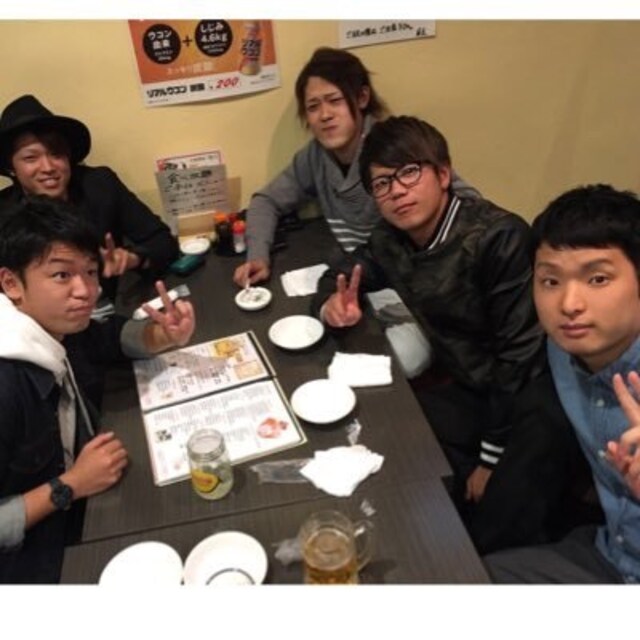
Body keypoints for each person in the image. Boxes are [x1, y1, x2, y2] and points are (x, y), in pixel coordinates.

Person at [313, 115, 546, 513]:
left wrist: (491, 458)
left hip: (524, 399)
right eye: (382, 183)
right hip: (465, 385)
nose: (397, 190)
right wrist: (331, 304)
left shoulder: (498, 237)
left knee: (490, 509)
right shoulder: (391, 239)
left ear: (443, 174)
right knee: (386, 430)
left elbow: (519, 358)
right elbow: (343, 273)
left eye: (408, 172)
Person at [0, 196, 195, 584]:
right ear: (11, 283)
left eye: (90, 272)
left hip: (92, 501)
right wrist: (69, 485)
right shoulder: (8, 381)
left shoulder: (52, 326)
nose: (85, 290)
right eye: (61, 275)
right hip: (40, 558)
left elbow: (107, 338)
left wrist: (164, 336)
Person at [485, 184, 640, 583]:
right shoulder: (563, 350)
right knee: (462, 575)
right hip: (607, 555)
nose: (569, 304)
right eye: (550, 281)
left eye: (598, 279)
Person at [233, 47, 479, 288]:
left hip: (413, 280)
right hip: (359, 274)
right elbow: (266, 200)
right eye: (313, 106)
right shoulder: (314, 157)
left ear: (362, 98)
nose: (325, 115)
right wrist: (258, 256)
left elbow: (471, 206)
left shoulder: (394, 145)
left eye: (335, 100)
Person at [0, 94, 179, 304]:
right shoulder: (4, 214)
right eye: (31, 158)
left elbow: (161, 241)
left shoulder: (99, 185)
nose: (48, 167)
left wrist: (133, 258)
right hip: (39, 319)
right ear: (11, 167)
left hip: (107, 308)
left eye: (56, 154)